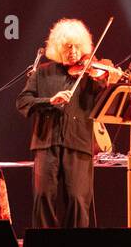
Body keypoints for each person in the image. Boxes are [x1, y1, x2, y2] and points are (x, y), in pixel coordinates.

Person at [16, 19, 103, 228]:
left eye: (76, 46)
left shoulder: (91, 73)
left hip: (79, 143)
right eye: (67, 46)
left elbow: (106, 94)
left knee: (77, 199)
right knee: (43, 197)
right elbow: (22, 101)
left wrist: (100, 77)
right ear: (57, 48)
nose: (73, 51)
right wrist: (49, 101)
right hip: (46, 143)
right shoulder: (42, 72)